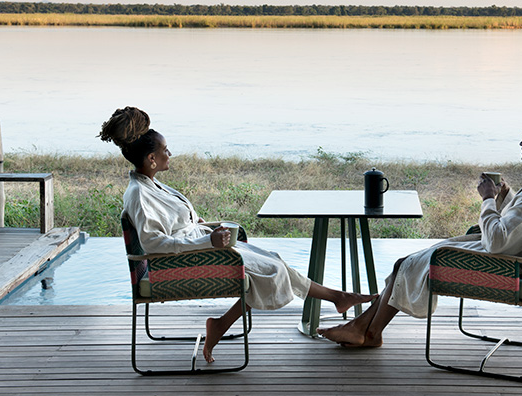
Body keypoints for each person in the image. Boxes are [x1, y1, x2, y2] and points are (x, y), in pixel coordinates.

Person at [99, 107, 375, 363]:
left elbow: (172, 225)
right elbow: (153, 242)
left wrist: (202, 227)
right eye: (165, 150)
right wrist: (206, 240)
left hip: (198, 249)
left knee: (273, 260)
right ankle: (223, 324)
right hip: (179, 263)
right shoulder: (139, 195)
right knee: (268, 270)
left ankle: (337, 296)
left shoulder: (150, 184)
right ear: (151, 159)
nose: (169, 154)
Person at [317, 119, 522, 348]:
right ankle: (364, 330)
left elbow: (496, 241)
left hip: (505, 267)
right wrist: (505, 196)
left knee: (405, 265)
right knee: (403, 265)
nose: (521, 143)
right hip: (520, 260)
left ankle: (366, 332)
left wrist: (488, 199)